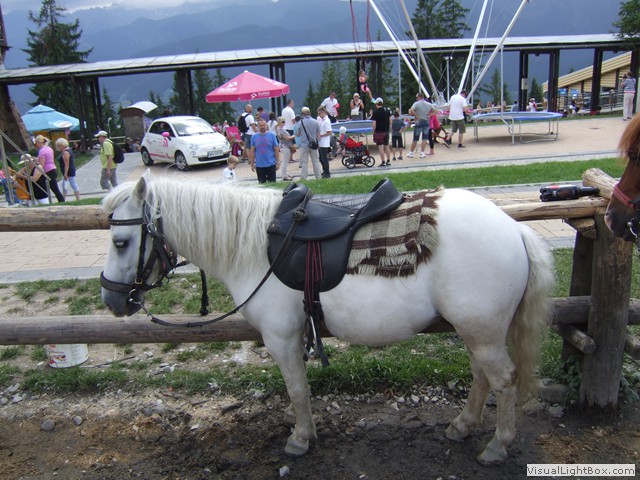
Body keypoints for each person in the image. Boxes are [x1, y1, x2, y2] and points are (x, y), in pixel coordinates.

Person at [33, 135, 65, 202]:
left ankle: (57, 200)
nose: (36, 145)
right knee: (54, 188)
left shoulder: (42, 151)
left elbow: (42, 164)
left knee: (51, 188)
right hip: (53, 168)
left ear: (38, 143)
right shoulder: (49, 149)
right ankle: (61, 200)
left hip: (47, 171)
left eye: (36, 144)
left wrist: (36, 163)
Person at [249, 119, 280, 183]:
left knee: (272, 183)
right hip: (259, 165)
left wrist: (277, 162)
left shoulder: (272, 136)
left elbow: (276, 149)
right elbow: (252, 151)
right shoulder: (254, 137)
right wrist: (252, 163)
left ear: (266, 126)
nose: (262, 127)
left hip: (271, 164)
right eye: (260, 125)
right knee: (262, 184)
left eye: (264, 125)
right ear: (258, 126)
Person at [407, 92, 437, 158]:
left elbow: (411, 110)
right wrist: (430, 115)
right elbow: (436, 111)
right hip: (426, 120)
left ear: (419, 97)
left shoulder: (416, 104)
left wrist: (416, 115)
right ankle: (422, 153)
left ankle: (411, 152)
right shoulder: (429, 104)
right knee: (424, 138)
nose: (416, 99)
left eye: (417, 97)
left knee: (415, 138)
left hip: (419, 121)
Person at [296, 107, 322, 180]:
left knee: (304, 162)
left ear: (302, 114)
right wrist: (318, 143)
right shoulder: (315, 122)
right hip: (314, 144)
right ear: (309, 113)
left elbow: (297, 133)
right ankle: (318, 176)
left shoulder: (300, 122)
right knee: (316, 161)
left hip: (304, 145)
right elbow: (318, 134)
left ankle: (304, 177)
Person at [370, 98, 392, 166]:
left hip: (379, 132)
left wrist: (373, 131)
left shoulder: (375, 113)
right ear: (382, 103)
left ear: (376, 104)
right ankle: (388, 160)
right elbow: (390, 121)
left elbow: (374, 124)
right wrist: (389, 128)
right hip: (386, 131)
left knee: (380, 147)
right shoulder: (387, 111)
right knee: (387, 146)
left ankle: (383, 161)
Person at [276, 116, 295, 181]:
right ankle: (284, 175)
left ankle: (286, 174)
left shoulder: (280, 129)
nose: (284, 123)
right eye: (283, 122)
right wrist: (294, 136)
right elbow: (287, 138)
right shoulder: (280, 129)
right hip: (285, 146)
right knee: (285, 161)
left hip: (284, 146)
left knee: (285, 161)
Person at [316, 106, 332, 178]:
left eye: (320, 113)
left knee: (324, 158)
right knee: (320, 158)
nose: (319, 115)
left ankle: (327, 172)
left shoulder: (327, 121)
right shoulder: (320, 119)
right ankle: (324, 170)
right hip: (320, 141)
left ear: (323, 112)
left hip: (324, 142)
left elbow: (329, 132)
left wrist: (321, 135)